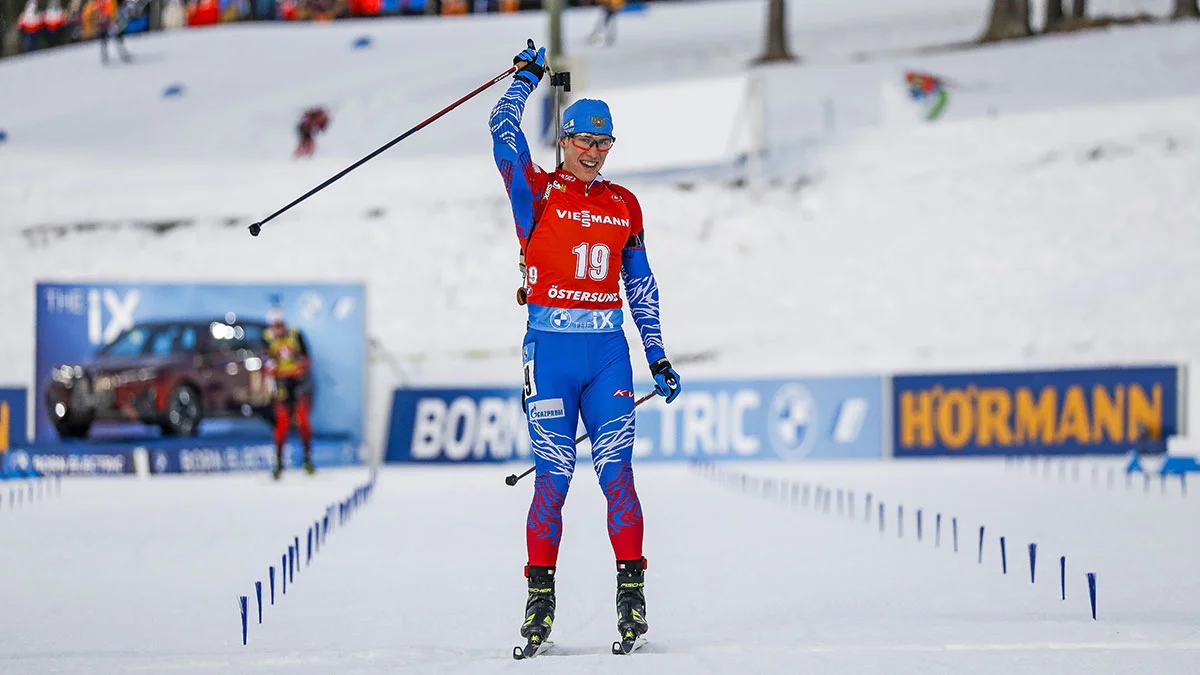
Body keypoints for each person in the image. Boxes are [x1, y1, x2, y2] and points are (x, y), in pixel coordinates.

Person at [489, 42, 682, 653]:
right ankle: (538, 601)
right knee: (553, 481)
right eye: (585, 141)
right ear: (565, 140)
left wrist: (656, 355)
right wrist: (523, 81)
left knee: (617, 477)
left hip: (607, 357)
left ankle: (632, 595)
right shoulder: (538, 193)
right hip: (550, 353)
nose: (595, 153)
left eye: (605, 144)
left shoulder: (625, 204)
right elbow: (501, 132)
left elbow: (641, 285)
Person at [262, 307, 315, 478]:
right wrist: (274, 365)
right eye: (275, 326)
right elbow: (265, 362)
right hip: (281, 384)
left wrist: (296, 361)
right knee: (282, 423)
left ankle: (307, 460)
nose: (278, 329)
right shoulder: (268, 338)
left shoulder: (295, 335)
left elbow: (306, 359)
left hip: (299, 383)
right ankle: (278, 464)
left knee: (302, 419)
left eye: (280, 325)